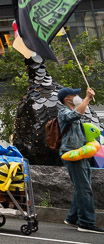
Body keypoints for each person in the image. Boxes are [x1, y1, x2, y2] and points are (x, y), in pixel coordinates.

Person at [57, 86, 103, 233]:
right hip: (71, 153)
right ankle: (86, 223)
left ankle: (72, 218)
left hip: (80, 154)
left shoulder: (72, 111)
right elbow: (77, 115)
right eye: (74, 94)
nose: (77, 96)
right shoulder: (63, 112)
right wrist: (87, 98)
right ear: (67, 99)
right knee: (85, 189)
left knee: (82, 187)